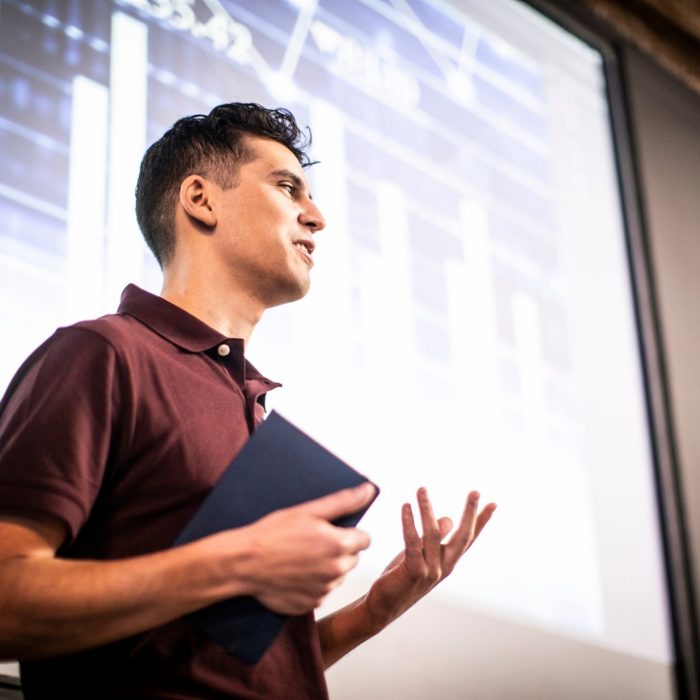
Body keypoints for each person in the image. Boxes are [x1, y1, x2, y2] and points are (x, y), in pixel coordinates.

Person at [0, 102, 496, 699]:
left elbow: (218, 666)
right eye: (289, 188)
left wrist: (373, 611)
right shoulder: (103, 353)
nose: (316, 217)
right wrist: (234, 562)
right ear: (200, 200)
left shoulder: (247, 400)